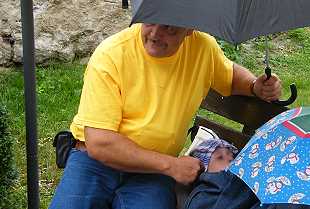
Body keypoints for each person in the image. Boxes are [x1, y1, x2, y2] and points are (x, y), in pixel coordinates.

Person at [49, 23, 283, 209]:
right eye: (151, 22)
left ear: (190, 29)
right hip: (94, 161)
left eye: (170, 28)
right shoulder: (111, 54)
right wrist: (171, 166)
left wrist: (255, 86)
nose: (155, 34)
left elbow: (230, 76)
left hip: (151, 173)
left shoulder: (202, 48)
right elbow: (100, 143)